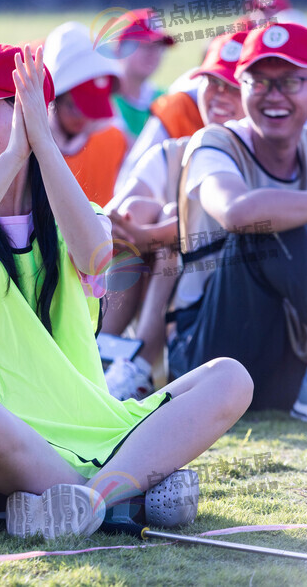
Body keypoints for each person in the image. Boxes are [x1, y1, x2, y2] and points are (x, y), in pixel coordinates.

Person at [0, 41, 251, 539]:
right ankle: (131, 495)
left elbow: (95, 255)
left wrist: (40, 142)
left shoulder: (74, 214)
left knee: (230, 378)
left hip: (84, 433)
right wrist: (15, 150)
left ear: (32, 113)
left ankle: (90, 499)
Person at [170, 22, 307, 421]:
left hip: (295, 348)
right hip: (212, 354)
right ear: (242, 86)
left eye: (290, 81)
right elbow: (239, 212)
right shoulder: (216, 143)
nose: (274, 96)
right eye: (259, 81)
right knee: (266, 224)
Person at [101, 31, 248, 400]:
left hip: (226, 307)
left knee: (168, 225)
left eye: (233, 85)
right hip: (171, 296)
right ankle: (105, 353)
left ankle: (137, 363)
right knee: (140, 214)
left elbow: (225, 222)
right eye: (212, 82)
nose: (219, 95)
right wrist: (137, 225)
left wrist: (155, 234)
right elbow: (120, 213)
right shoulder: (171, 150)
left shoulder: (260, 157)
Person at [43, 21, 128, 208]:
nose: (83, 117)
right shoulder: (28, 146)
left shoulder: (114, 140)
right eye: (74, 106)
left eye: (94, 108)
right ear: (54, 97)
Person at [110, 8, 175, 139]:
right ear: (119, 49)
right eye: (144, 45)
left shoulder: (165, 100)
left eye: (158, 47)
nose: (153, 53)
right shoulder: (103, 99)